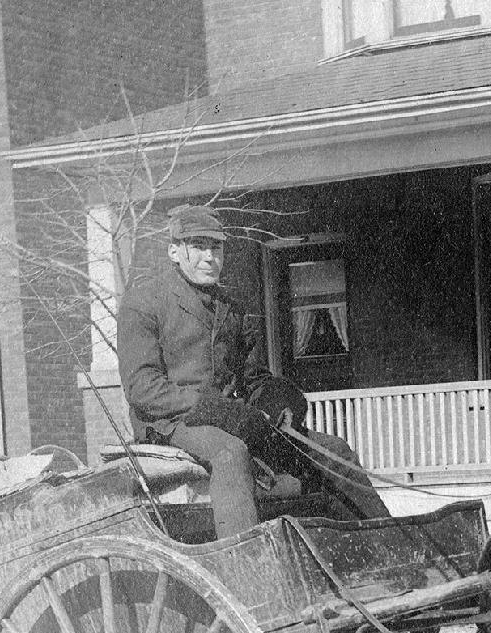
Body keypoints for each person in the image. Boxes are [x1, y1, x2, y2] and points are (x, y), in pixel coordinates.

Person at [116, 204, 389, 536]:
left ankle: (386, 543)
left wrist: (277, 403)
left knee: (333, 450)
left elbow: (253, 376)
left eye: (215, 247)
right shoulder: (144, 302)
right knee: (231, 453)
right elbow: (142, 389)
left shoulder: (231, 306)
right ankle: (246, 564)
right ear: (174, 251)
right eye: (198, 246)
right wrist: (215, 410)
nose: (209, 257)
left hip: (227, 418)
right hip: (171, 423)